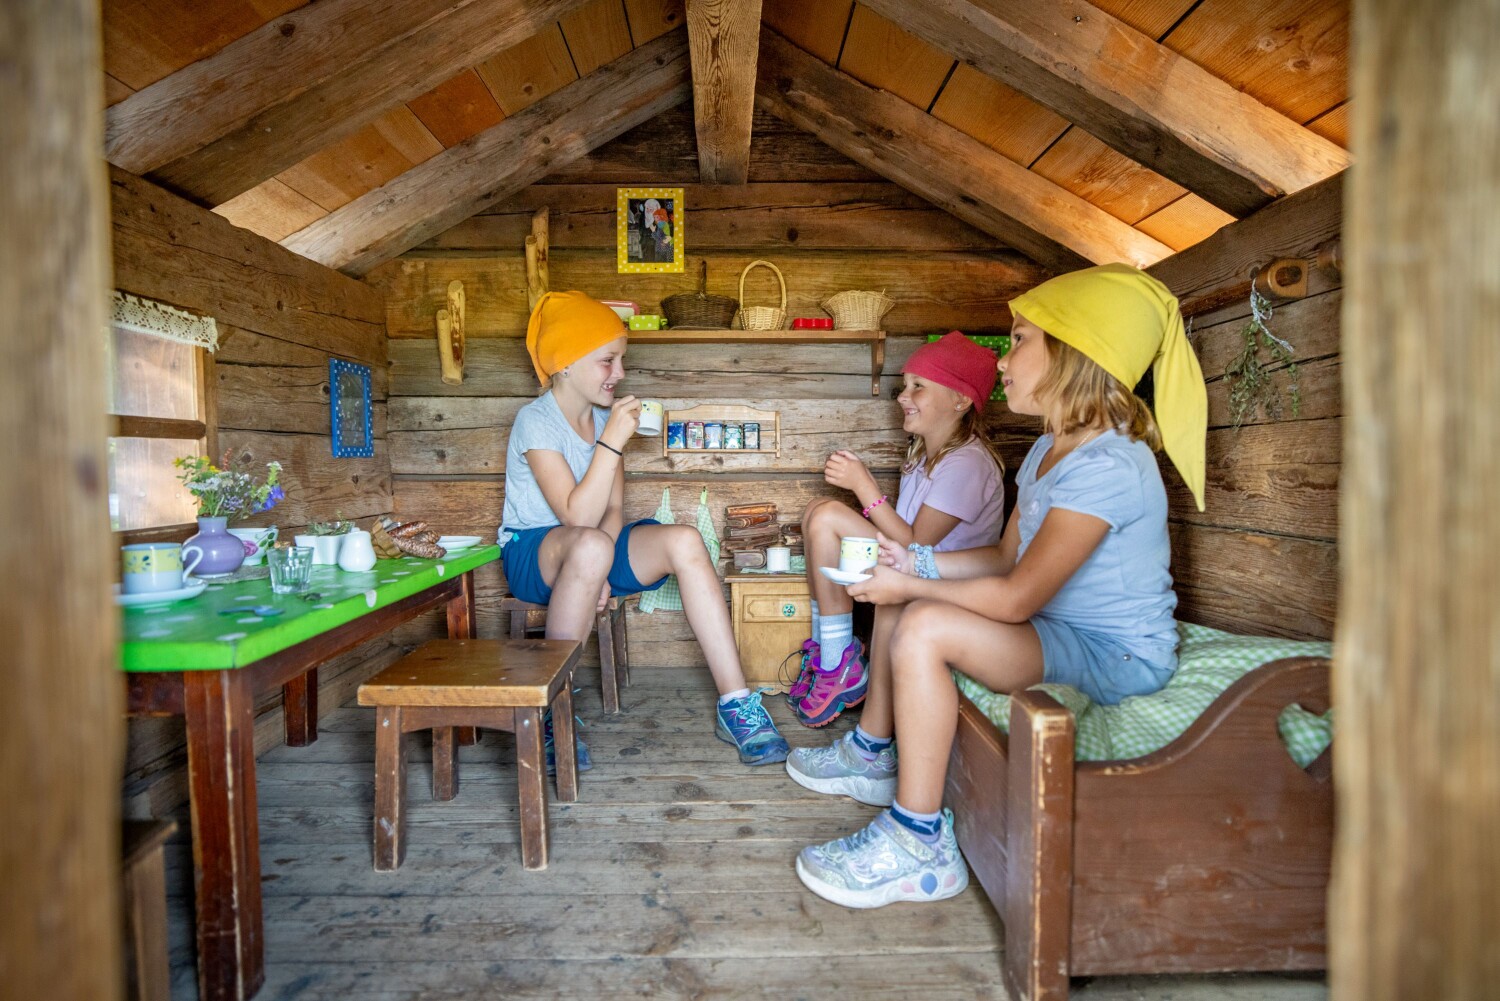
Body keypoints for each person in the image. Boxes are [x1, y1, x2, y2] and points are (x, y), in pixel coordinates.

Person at [790, 263, 1207, 909]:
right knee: (916, 603)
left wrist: (910, 588)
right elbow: (1005, 555)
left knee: (924, 622)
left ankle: (918, 840)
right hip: (1058, 633)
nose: (1004, 360)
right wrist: (915, 568)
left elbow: (1016, 595)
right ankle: (878, 760)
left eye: (1017, 340)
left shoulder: (1112, 463)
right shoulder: (1048, 450)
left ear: (1074, 353)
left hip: (1115, 654)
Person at [501, 291, 789, 767]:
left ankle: (737, 704)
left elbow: (611, 509)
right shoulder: (535, 422)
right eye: (607, 361)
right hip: (533, 553)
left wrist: (597, 569)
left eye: (621, 361)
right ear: (567, 363)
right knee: (588, 545)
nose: (619, 374)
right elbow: (575, 515)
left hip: (592, 546)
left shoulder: (599, 419)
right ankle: (552, 713)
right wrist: (611, 443)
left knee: (684, 540)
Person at [788, 332, 1005, 729]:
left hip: (942, 582)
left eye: (918, 387)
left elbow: (916, 546)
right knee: (818, 510)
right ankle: (832, 652)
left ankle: (839, 664)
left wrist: (863, 485)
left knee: (828, 515)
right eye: (904, 386)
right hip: (911, 564)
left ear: (960, 400)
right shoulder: (923, 456)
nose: (903, 396)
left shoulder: (967, 464)